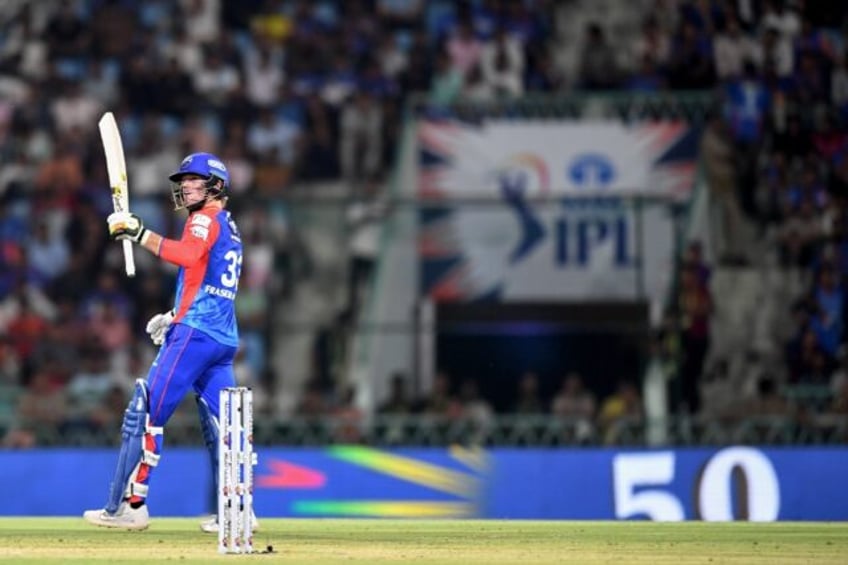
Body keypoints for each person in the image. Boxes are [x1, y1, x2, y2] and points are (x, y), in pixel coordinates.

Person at [83, 153, 254, 533]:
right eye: (185, 180)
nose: (187, 186)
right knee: (224, 426)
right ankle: (239, 510)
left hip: (194, 334)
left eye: (196, 180)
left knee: (145, 412)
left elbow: (187, 255)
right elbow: (203, 279)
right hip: (221, 337)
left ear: (217, 186)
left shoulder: (204, 219)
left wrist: (137, 232)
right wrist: (174, 314)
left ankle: (128, 507)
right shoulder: (229, 224)